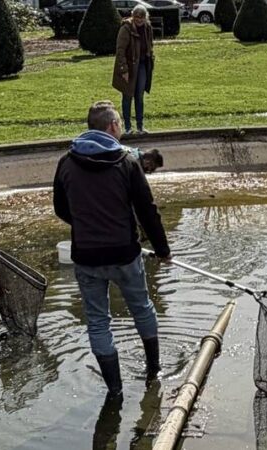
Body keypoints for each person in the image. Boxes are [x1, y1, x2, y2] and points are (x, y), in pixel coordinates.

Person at [53, 100, 171, 399]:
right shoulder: (126, 162)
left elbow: (61, 208)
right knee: (142, 307)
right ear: (112, 126)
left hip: (86, 255)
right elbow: (147, 210)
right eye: (119, 124)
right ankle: (154, 370)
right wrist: (163, 249)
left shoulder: (66, 162)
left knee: (97, 321)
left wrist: (86, 223)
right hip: (124, 252)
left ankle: (115, 390)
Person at [112, 5, 155, 135]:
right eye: (136, 17)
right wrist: (124, 69)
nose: (139, 20)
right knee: (127, 95)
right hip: (129, 66)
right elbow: (120, 50)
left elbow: (150, 45)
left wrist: (151, 58)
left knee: (139, 96)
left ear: (145, 17)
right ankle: (127, 127)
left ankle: (140, 127)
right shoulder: (126, 28)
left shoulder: (147, 28)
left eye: (141, 18)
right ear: (133, 16)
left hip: (142, 65)